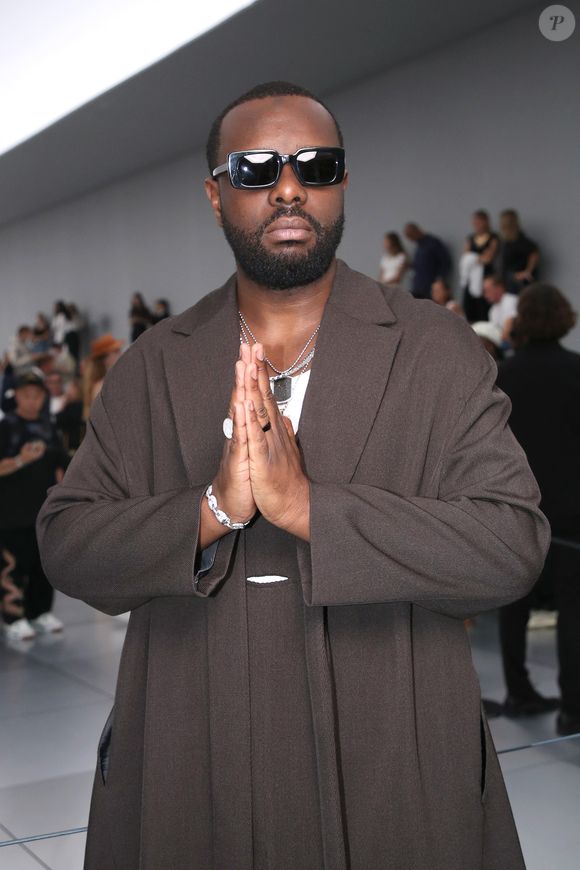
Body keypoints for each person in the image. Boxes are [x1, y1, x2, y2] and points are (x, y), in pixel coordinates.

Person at [37, 81, 549, 870]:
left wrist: (312, 510)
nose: (288, 188)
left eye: (316, 166)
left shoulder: (434, 348)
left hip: (396, 767)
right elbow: (68, 543)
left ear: (342, 183)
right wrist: (213, 508)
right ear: (216, 195)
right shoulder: (152, 366)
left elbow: (511, 545)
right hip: (190, 766)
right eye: (256, 168)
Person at [497, 284, 580, 735]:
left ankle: (518, 690)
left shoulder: (503, 375)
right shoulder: (576, 370)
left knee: (514, 603)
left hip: (517, 506)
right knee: (574, 607)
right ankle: (573, 708)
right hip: (571, 509)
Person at [0, 370, 69, 640]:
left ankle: (39, 612)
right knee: (12, 567)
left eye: (37, 395)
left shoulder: (49, 427)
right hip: (11, 514)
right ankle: (12, 617)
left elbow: (62, 465)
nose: (32, 400)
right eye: (26, 394)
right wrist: (21, 460)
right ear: (16, 395)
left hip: (43, 512)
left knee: (43, 566)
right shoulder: (6, 427)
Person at [460, 210, 499, 323]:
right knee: (469, 307)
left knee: (483, 307)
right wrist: (478, 258)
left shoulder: (493, 238)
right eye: (475, 223)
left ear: (486, 222)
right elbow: (466, 258)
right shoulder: (470, 238)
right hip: (471, 278)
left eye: (479, 223)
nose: (477, 226)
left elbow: (488, 258)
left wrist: (473, 258)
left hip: (485, 277)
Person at [81, 334, 124, 420]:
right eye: (116, 351)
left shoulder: (108, 382)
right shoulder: (101, 386)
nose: (121, 354)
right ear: (105, 359)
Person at [403, 222, 451, 299]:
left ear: (416, 231)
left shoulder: (433, 243)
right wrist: (410, 265)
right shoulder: (419, 246)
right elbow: (420, 265)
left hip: (430, 287)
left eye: (411, 236)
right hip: (418, 286)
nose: (411, 240)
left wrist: (440, 279)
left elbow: (445, 262)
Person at [498, 209, 540, 295]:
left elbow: (534, 254)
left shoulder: (521, 241)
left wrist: (527, 271)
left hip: (516, 283)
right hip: (508, 280)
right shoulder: (507, 242)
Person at [483, 275, 518, 345]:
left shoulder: (510, 300)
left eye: (488, 290)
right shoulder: (492, 310)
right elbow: (494, 332)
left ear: (499, 288)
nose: (485, 295)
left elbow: (509, 326)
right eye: (484, 291)